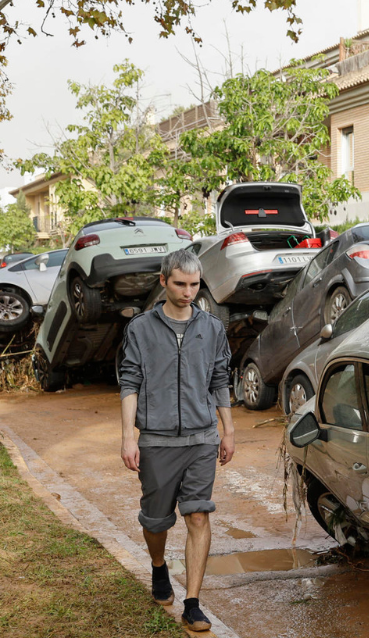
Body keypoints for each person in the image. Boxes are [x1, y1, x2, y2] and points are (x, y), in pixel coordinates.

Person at [118, 249, 234, 632]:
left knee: (198, 514)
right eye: (180, 284)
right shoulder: (140, 329)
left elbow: (220, 381)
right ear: (164, 280)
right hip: (156, 441)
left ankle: (193, 603)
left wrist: (227, 432)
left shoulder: (212, 328)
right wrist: (128, 439)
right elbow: (130, 383)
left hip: (202, 439)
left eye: (195, 284)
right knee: (156, 521)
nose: (188, 292)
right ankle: (158, 566)